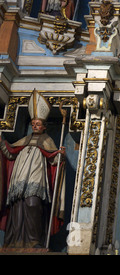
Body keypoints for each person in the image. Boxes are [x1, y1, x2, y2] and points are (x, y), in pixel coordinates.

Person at [0, 90, 65, 249]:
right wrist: (1, 142)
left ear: (44, 127)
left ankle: (34, 241)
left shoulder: (47, 140)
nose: (35, 126)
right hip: (19, 179)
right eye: (33, 124)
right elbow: (10, 153)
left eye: (38, 124)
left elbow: (53, 158)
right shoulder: (25, 139)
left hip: (36, 179)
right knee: (17, 207)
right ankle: (13, 241)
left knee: (33, 204)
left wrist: (60, 155)